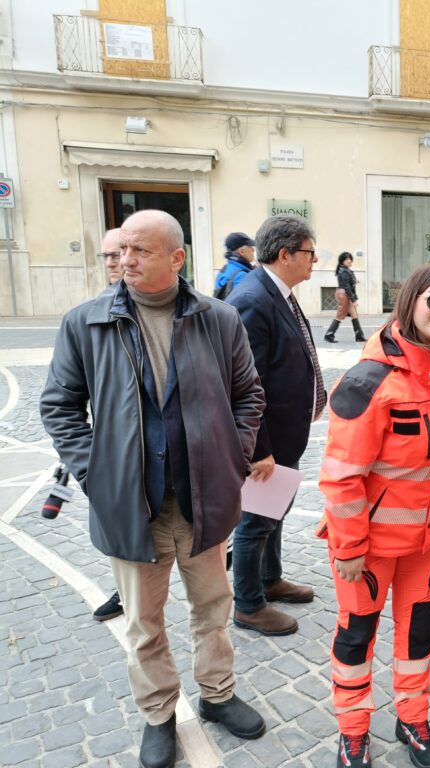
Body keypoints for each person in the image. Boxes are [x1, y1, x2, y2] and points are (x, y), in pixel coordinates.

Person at [40, 209, 267, 768]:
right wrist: (99, 475)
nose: (126, 260)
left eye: (140, 251)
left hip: (203, 499)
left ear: (177, 257)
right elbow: (59, 406)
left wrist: (231, 460)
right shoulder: (86, 322)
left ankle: (217, 695)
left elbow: (248, 395)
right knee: (144, 620)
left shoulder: (218, 319)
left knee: (214, 607)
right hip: (131, 507)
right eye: (121, 250)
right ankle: (159, 713)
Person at [318, 263, 430, 768]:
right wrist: (349, 548)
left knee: (419, 633)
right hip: (369, 551)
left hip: (427, 547)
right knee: (356, 636)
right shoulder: (368, 379)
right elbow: (342, 476)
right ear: (410, 300)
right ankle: (354, 731)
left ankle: (413, 717)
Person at [226, 214, 325, 636]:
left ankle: (270, 578)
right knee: (255, 519)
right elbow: (244, 382)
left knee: (275, 510)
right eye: (308, 253)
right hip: (268, 439)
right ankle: (248, 603)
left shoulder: (276, 291)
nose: (314, 261)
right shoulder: (253, 298)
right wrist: (259, 447)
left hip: (287, 432)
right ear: (285, 255)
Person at [90, 227, 126, 622]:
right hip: (115, 447)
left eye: (119, 253)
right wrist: (89, 466)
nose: (116, 262)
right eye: (109, 256)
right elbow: (62, 402)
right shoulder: (91, 317)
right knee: (124, 530)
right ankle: (124, 590)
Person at [325, 251, 366, 343]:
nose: (349, 261)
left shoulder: (345, 270)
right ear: (342, 261)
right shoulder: (343, 271)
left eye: (350, 259)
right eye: (347, 259)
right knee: (340, 314)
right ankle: (329, 334)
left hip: (346, 294)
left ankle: (359, 335)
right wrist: (354, 299)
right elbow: (346, 286)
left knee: (354, 314)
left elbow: (349, 284)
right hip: (345, 295)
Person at [213, 232, 256, 300]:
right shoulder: (241, 275)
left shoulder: (225, 269)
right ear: (242, 252)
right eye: (250, 247)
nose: (253, 250)